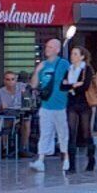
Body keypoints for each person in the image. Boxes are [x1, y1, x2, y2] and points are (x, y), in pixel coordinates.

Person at [30, 35, 71, 171]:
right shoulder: (43, 65)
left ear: (57, 50)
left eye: (51, 47)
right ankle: (41, 159)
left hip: (61, 105)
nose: (48, 49)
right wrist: (37, 70)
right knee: (45, 133)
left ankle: (66, 158)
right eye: (47, 46)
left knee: (62, 132)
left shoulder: (64, 64)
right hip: (46, 104)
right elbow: (34, 84)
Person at [65, 44, 97, 171]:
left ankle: (91, 159)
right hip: (72, 103)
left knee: (86, 132)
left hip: (84, 104)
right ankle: (72, 165)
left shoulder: (87, 69)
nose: (72, 56)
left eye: (75, 54)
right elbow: (62, 86)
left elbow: (85, 86)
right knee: (71, 132)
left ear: (82, 57)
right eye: (72, 54)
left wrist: (71, 86)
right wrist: (74, 85)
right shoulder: (69, 69)